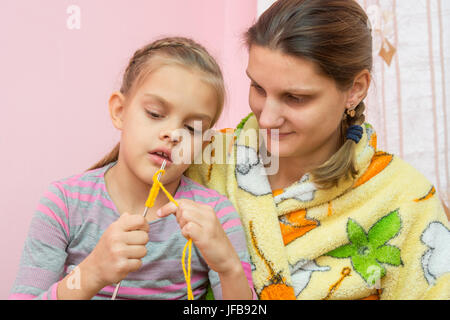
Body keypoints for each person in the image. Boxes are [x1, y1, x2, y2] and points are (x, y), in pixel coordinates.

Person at [185, 0, 450, 300]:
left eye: (295, 97)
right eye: (258, 88)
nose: (267, 117)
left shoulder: (406, 200)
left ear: (355, 89)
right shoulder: (202, 160)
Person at [9, 37, 255, 300]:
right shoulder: (65, 203)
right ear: (119, 111)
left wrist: (228, 268)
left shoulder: (215, 215)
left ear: (204, 143)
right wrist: (91, 272)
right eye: (155, 113)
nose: (173, 134)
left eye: (192, 129)